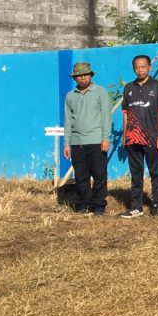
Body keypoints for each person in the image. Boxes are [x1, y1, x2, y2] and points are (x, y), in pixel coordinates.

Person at [120, 54, 158, 218]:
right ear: (133, 69)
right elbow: (126, 114)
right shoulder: (128, 88)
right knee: (136, 174)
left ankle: (157, 205)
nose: (140, 70)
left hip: (151, 138)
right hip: (133, 139)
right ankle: (136, 207)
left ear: (149, 67)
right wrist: (125, 136)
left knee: (155, 172)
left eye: (143, 67)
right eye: (137, 67)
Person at [62, 62, 111, 216]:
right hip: (77, 142)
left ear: (91, 75)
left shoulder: (100, 92)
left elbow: (106, 116)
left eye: (85, 75)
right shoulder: (70, 96)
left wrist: (105, 138)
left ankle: (99, 205)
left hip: (96, 140)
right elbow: (68, 121)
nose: (83, 78)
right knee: (81, 176)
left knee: (99, 175)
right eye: (79, 76)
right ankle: (83, 204)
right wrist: (67, 143)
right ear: (74, 78)